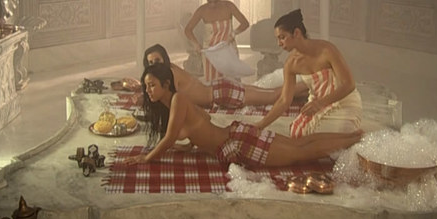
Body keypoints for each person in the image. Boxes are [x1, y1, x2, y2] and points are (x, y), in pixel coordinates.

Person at [122, 63, 360, 169]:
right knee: (297, 146)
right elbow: (203, 121)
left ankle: (354, 139)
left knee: (300, 153)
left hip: (238, 144)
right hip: (235, 137)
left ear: (166, 84)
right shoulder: (177, 103)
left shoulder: (178, 100)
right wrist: (190, 144)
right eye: (146, 86)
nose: (148, 90)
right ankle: (354, 138)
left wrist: (146, 158)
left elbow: (169, 138)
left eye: (152, 85)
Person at [255, 9, 363, 138]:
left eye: (282, 37)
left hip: (343, 103)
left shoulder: (327, 50)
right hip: (317, 106)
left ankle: (352, 136)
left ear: (296, 33)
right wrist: (260, 125)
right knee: (297, 133)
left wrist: (320, 103)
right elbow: (284, 100)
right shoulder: (291, 64)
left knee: (326, 135)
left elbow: (349, 85)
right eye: (277, 39)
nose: (279, 44)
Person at [140, 43, 306, 110]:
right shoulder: (167, 71)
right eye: (150, 62)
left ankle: (310, 82)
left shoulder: (170, 74)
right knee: (271, 93)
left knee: (273, 96)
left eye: (157, 60)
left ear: (164, 58)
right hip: (220, 88)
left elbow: (170, 104)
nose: (154, 64)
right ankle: (307, 88)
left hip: (222, 93)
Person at [184, 0, 250, 81]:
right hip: (210, 52)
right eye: (210, 2)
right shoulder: (202, 10)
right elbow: (188, 30)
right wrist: (196, 44)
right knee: (213, 82)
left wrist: (233, 33)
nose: (213, 5)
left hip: (228, 49)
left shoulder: (229, 6)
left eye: (216, 2)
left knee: (232, 81)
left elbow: (245, 23)